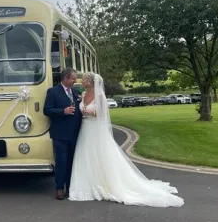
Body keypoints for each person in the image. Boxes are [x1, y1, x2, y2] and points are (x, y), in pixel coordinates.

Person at [68, 72, 184, 207]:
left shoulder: (100, 96)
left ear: (91, 82)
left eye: (84, 80)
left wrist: (92, 112)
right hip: (85, 130)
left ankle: (105, 183)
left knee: (100, 155)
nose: (81, 82)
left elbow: (104, 114)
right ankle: (87, 184)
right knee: (85, 155)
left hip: (96, 130)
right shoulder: (82, 95)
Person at [43, 68, 82, 200]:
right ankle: (59, 189)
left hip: (75, 134)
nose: (74, 81)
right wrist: (63, 111)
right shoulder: (53, 92)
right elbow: (47, 110)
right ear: (65, 79)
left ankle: (70, 187)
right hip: (60, 134)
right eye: (72, 78)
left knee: (72, 161)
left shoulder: (76, 93)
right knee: (61, 161)